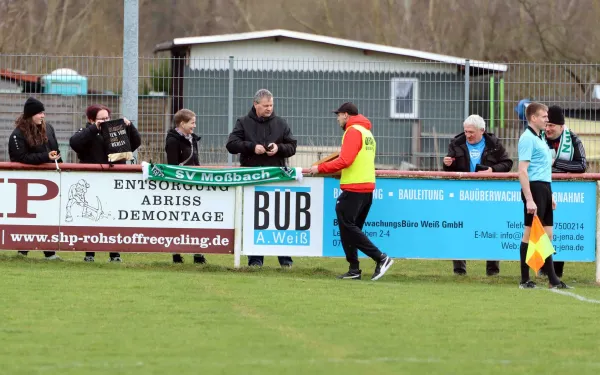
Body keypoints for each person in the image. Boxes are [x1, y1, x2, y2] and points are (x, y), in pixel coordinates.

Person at [310, 102, 394, 281]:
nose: (337, 119)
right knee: (350, 229)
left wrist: (321, 168)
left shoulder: (353, 131)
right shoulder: (367, 133)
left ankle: (381, 258)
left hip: (354, 187)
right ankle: (354, 269)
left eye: (338, 115)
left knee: (347, 227)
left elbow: (345, 161)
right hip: (366, 187)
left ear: (346, 115)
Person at [226, 89, 297, 268]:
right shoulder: (243, 122)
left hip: (276, 178)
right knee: (252, 219)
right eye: (265, 105)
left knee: (281, 219)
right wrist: (251, 147)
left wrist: (278, 148)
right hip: (251, 179)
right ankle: (255, 260)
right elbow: (231, 145)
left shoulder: (281, 123)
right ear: (255, 104)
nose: (269, 109)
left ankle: (285, 260)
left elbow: (292, 146)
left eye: (271, 105)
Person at [69, 104, 141, 263]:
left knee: (114, 218)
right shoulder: (86, 133)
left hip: (114, 182)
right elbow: (75, 143)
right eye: (101, 119)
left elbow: (135, 143)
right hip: (93, 182)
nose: (105, 121)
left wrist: (130, 127)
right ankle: (90, 254)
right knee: (91, 219)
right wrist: (95, 129)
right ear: (91, 120)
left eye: (107, 118)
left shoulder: (117, 132)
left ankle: (114, 254)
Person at [443, 114, 513, 276]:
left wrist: (493, 170)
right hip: (462, 193)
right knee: (459, 228)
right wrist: (447, 164)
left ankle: (493, 270)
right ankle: (459, 270)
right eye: (466, 131)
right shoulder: (456, 143)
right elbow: (449, 170)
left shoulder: (494, 144)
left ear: (482, 130)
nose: (468, 135)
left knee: (491, 228)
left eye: (471, 132)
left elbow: (508, 163)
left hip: (488, 194)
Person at [517, 102, 570, 289]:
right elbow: (522, 171)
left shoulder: (539, 138)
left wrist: (550, 195)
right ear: (533, 118)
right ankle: (524, 279)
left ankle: (552, 279)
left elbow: (544, 169)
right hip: (535, 189)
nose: (547, 120)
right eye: (543, 116)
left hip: (545, 189)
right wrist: (530, 199)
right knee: (529, 233)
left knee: (547, 235)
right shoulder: (527, 139)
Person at [8, 97, 62, 260]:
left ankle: (49, 252)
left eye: (43, 112)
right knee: (28, 218)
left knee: (48, 216)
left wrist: (57, 161)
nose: (43, 116)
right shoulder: (18, 134)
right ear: (30, 114)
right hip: (27, 183)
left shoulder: (49, 129)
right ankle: (23, 251)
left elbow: (55, 151)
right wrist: (45, 157)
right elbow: (19, 158)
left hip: (49, 181)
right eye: (39, 112)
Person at [538, 105, 587, 278]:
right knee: (541, 229)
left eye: (552, 125)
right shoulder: (537, 137)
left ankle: (556, 270)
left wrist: (555, 163)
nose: (548, 129)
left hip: (565, 192)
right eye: (547, 124)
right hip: (541, 188)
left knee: (560, 231)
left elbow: (581, 165)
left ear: (561, 127)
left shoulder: (573, 139)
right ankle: (542, 268)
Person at [165, 109, 206, 264]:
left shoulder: (192, 139)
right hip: (181, 187)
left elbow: (196, 161)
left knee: (197, 220)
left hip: (194, 185)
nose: (194, 126)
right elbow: (173, 166)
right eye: (192, 122)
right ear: (182, 123)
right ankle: (176, 253)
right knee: (179, 220)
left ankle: (198, 253)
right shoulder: (172, 141)